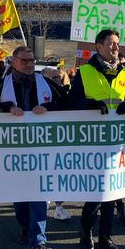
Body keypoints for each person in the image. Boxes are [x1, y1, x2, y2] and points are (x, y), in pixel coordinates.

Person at [0, 46, 62, 249]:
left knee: (39, 194)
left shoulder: (46, 83)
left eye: (32, 60)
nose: (30, 64)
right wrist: (6, 109)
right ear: (14, 62)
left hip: (41, 151)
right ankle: (26, 227)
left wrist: (48, 109)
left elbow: (66, 104)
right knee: (20, 197)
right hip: (12, 153)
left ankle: (39, 241)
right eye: (25, 61)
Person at [68, 29, 125, 249]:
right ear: (98, 46)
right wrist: (89, 105)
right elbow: (73, 102)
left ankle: (106, 237)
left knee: (112, 192)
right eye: (111, 43)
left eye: (118, 44)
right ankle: (85, 232)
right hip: (92, 140)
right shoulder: (85, 71)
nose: (116, 47)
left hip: (117, 142)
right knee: (96, 192)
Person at [41, 67, 71, 221]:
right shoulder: (40, 92)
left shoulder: (65, 92)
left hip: (62, 139)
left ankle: (59, 207)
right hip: (44, 140)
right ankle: (44, 201)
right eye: (53, 78)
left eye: (58, 77)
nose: (57, 80)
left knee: (62, 174)